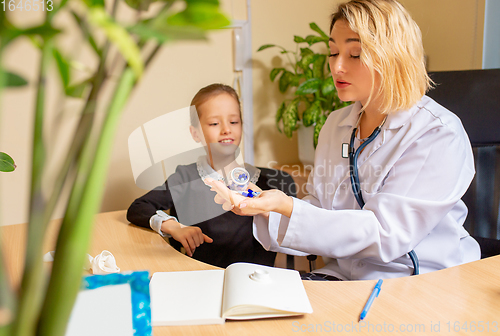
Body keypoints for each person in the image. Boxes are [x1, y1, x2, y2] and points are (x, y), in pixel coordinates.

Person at [206, 0, 480, 280]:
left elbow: (386, 234)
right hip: (343, 277)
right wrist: (261, 205)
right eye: (333, 52)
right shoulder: (336, 124)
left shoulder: (437, 133)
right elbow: (320, 209)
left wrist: (286, 206)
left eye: (355, 54)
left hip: (417, 281)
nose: (336, 67)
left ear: (392, 56)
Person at [127, 83, 276, 268]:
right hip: (200, 280)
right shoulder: (186, 177)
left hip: (255, 284)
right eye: (214, 123)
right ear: (195, 133)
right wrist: (174, 227)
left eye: (234, 122)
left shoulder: (265, 182)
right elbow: (138, 208)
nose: (226, 129)